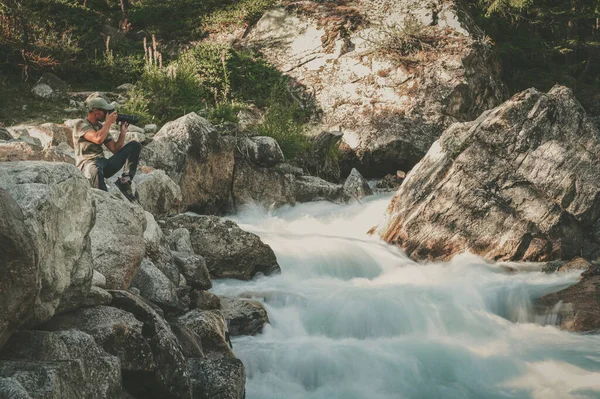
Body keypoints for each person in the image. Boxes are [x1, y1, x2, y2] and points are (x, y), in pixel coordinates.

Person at [73, 96, 141, 201]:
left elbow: (115, 149)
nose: (107, 115)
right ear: (96, 111)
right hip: (87, 164)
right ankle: (104, 200)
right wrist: (108, 122)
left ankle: (125, 182)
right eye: (105, 111)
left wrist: (123, 132)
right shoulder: (81, 124)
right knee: (96, 169)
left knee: (134, 146)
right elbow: (97, 138)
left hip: (102, 163)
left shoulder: (100, 127)